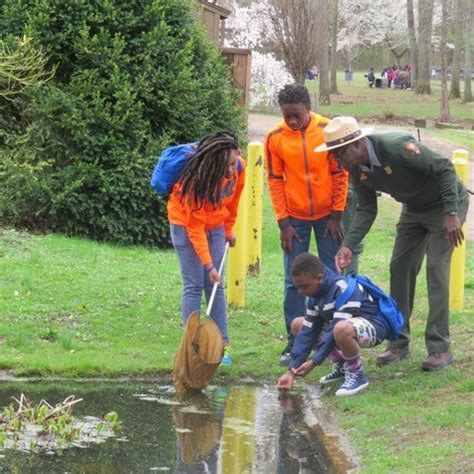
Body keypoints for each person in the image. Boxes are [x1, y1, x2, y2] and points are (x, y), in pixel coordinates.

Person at [315, 116, 470, 371]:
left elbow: (444, 167)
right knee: (399, 267)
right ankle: (399, 342)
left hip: (444, 207)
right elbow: (366, 208)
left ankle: (439, 348)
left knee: (436, 271)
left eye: (339, 154)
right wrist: (348, 245)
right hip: (414, 209)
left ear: (356, 144)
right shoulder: (356, 168)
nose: (336, 161)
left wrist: (452, 213)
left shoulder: (399, 147)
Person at [264, 84, 348, 366]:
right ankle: (294, 341)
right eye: (287, 116)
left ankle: (333, 339)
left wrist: (337, 214)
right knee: (293, 280)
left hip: (328, 217)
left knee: (333, 277)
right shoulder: (274, 137)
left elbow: (340, 173)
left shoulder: (327, 128)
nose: (292, 121)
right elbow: (275, 181)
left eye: (297, 115)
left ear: (308, 108)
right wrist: (283, 222)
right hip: (295, 219)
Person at [167, 131, 246, 366]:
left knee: (215, 286)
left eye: (234, 162)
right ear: (214, 164)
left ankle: (222, 345)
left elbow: (233, 202)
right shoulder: (195, 182)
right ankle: (191, 347)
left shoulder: (239, 168)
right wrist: (209, 265)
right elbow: (195, 227)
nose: (233, 171)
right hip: (185, 226)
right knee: (193, 284)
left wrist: (228, 230)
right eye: (227, 166)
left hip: (217, 226)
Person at [277, 253, 391, 397]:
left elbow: (333, 332)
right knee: (298, 325)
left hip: (374, 327)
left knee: (341, 329)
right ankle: (341, 366)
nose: (301, 292)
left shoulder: (343, 290)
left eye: (304, 287)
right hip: (342, 326)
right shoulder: (315, 293)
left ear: (319, 278)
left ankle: (357, 374)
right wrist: (291, 371)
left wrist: (314, 362)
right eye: (298, 287)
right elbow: (308, 331)